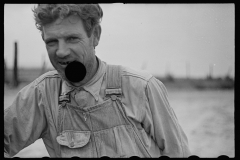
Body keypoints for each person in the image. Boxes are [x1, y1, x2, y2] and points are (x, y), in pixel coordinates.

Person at [4, 4, 191, 158]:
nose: (61, 52)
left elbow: (178, 153)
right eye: (51, 42)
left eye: (72, 38)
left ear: (95, 35)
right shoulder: (42, 94)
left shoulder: (142, 87)